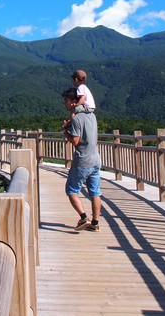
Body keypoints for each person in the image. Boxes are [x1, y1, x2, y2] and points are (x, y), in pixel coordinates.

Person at [62, 87, 101, 232]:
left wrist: (65, 131)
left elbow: (76, 141)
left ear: (73, 102)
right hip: (95, 159)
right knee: (95, 192)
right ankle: (95, 223)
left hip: (83, 161)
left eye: (66, 101)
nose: (65, 104)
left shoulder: (77, 119)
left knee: (71, 190)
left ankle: (84, 217)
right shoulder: (92, 116)